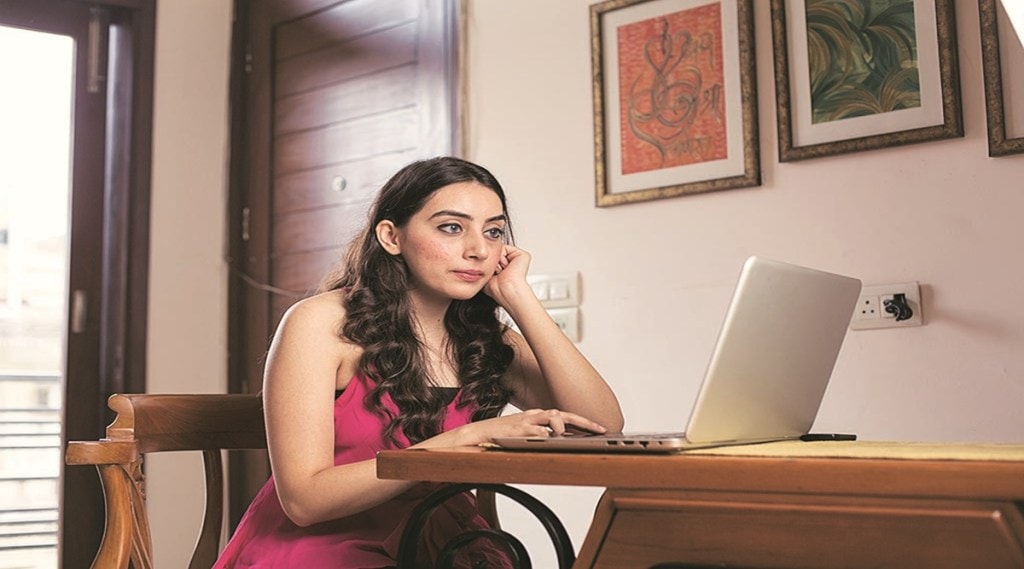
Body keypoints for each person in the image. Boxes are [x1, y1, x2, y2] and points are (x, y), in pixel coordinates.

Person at [213, 156, 623, 568]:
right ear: (392, 237)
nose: (479, 249)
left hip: (443, 545)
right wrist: (462, 441)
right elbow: (304, 500)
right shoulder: (320, 322)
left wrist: (519, 298)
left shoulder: (485, 340)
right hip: (322, 549)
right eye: (451, 227)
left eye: (494, 231)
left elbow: (601, 425)